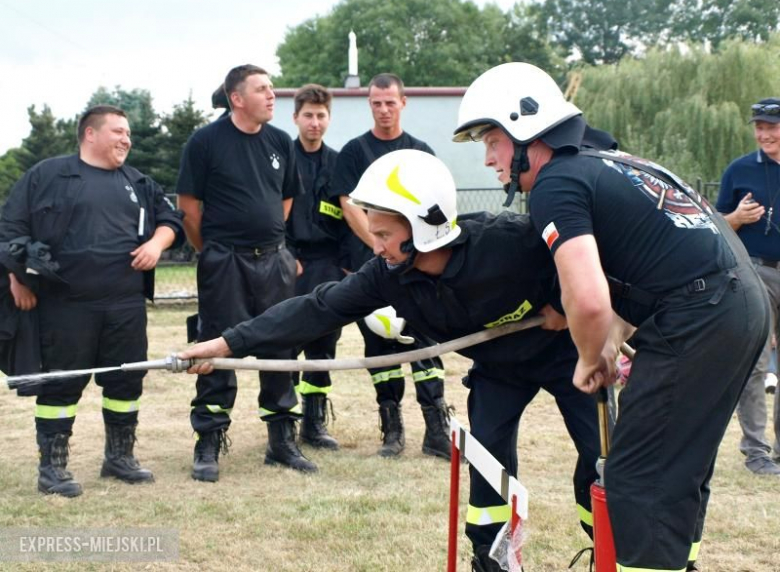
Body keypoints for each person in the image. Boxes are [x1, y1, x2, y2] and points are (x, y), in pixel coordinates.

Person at [179, 150, 601, 572]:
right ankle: (494, 562)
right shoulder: (387, 274)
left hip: (568, 356)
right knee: (488, 462)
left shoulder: (509, 241)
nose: (374, 245)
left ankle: (610, 545)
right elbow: (315, 309)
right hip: (497, 370)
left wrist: (567, 304)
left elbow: (590, 263)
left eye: (382, 233)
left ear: (422, 226)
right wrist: (225, 345)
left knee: (601, 457)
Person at [453, 62, 770, 572]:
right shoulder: (619, 163)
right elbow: (652, 267)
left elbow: (590, 297)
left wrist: (587, 356)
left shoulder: (555, 183)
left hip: (696, 317)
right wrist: (608, 339)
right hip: (742, 305)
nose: (489, 158)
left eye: (492, 140)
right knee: (679, 467)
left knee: (638, 478)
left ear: (524, 129)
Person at [0, 104, 184, 497]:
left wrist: (156, 242)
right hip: (66, 305)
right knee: (62, 385)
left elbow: (173, 220)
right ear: (90, 134)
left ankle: (119, 457)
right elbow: (10, 229)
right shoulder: (47, 176)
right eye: (118, 131)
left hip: (125, 304)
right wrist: (17, 279)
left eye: (129, 133)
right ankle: (52, 467)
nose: (127, 139)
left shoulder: (138, 182)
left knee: (127, 380)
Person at [176, 64, 311, 480]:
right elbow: (189, 209)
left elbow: (285, 200)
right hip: (224, 263)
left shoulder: (280, 142)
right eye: (262, 90)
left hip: (274, 261)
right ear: (237, 98)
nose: (272, 96)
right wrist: (215, 253)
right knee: (218, 349)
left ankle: (281, 440)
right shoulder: (205, 142)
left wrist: (272, 246)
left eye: (272, 88)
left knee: (281, 347)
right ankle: (209, 442)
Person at [331, 73, 451, 459]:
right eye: (376, 103)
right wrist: (382, 248)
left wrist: (408, 255)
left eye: (390, 102)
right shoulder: (353, 152)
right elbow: (349, 205)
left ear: (403, 103)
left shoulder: (420, 152)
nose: (383, 110)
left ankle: (436, 430)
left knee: (425, 346)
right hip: (371, 273)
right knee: (381, 352)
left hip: (417, 271)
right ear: (369, 104)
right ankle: (392, 431)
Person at [716, 97, 780, 475]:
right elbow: (717, 224)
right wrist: (737, 217)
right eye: (759, 126)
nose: (764, 134)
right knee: (755, 366)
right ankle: (756, 453)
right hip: (757, 273)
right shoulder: (738, 170)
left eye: (771, 127)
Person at [286, 84, 347, 450]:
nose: (314, 122)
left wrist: (345, 265)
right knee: (287, 343)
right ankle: (285, 423)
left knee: (324, 346)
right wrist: (284, 254)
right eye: (308, 115)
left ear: (328, 118)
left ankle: (314, 422)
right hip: (291, 264)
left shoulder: (339, 163)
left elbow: (352, 217)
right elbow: (273, 215)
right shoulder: (282, 159)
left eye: (321, 115)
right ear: (296, 118)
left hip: (328, 265)